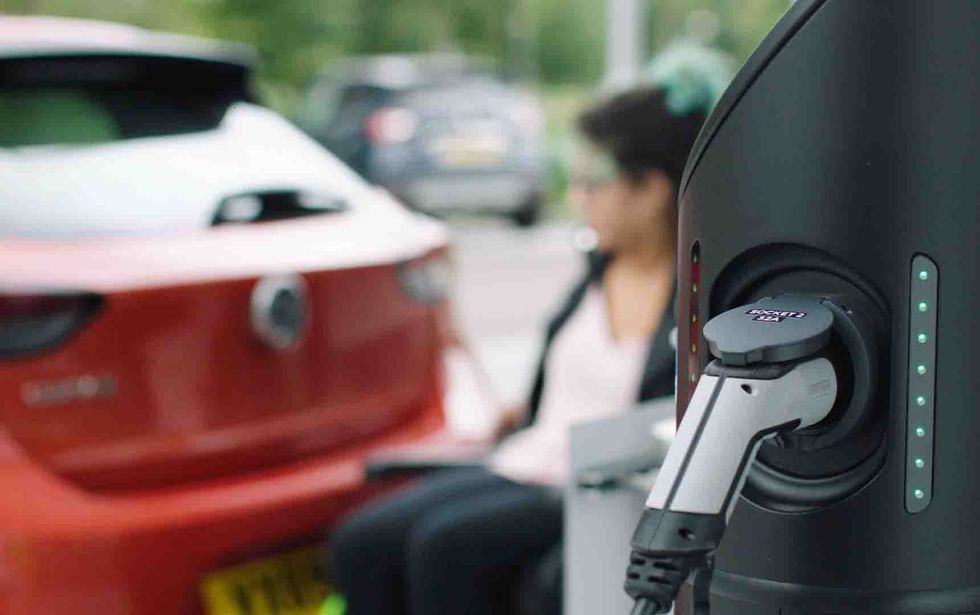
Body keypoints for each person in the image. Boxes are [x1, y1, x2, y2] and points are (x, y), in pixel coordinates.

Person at [329, 68, 722, 615]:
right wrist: (521, 410)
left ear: (651, 190)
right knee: (363, 540)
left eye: (593, 179)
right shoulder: (594, 275)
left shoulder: (697, 295)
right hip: (530, 457)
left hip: (595, 485)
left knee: (445, 547)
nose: (577, 195)